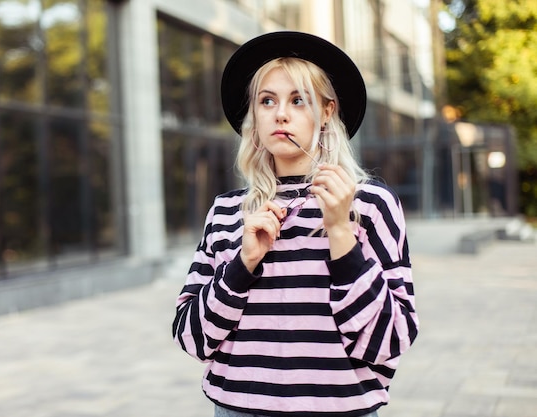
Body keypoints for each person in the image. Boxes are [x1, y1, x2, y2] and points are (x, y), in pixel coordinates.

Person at [172, 31, 418, 417]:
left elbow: (391, 339)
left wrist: (340, 231)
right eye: (266, 100)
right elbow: (191, 338)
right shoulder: (227, 211)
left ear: (326, 112)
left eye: (298, 100)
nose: (280, 113)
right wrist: (243, 264)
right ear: (254, 116)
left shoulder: (370, 205)